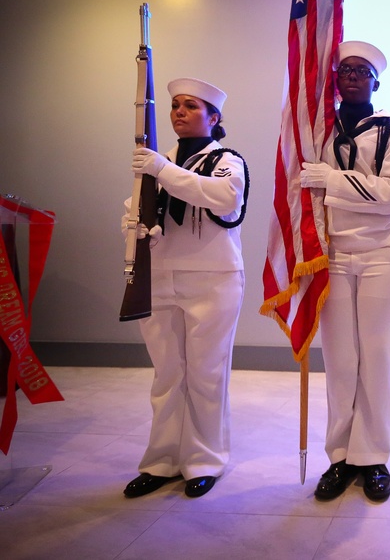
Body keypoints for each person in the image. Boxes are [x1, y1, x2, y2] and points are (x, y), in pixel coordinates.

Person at [299, 41, 390, 503]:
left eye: (361, 70)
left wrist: (330, 182)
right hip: (334, 255)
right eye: (344, 69)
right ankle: (340, 456)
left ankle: (373, 457)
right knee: (341, 360)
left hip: (383, 251)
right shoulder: (317, 130)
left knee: (376, 355)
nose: (351, 75)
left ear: (376, 82)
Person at [122, 77, 248, 499]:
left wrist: (161, 169)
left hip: (212, 280)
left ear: (214, 117)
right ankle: (161, 461)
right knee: (167, 375)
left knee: (207, 374)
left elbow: (223, 197)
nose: (178, 111)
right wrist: (132, 224)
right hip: (160, 277)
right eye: (175, 105)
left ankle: (204, 459)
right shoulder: (156, 162)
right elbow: (134, 209)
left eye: (191, 106)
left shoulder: (227, 160)